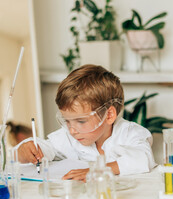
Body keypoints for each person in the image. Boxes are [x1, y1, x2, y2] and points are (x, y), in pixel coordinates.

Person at [16, 64, 156, 181]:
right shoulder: (70, 136)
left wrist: (96, 170)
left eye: (81, 121)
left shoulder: (129, 133)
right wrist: (29, 150)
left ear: (109, 115)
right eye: (67, 121)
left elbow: (143, 159)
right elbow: (47, 148)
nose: (72, 130)